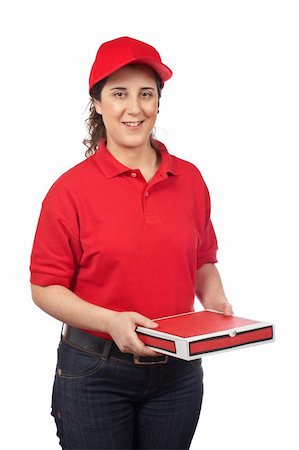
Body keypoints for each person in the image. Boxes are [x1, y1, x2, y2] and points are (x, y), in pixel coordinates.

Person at [30, 36, 233, 450]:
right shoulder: (69, 191)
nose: (135, 108)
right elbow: (44, 288)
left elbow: (202, 260)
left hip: (178, 373)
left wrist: (215, 303)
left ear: (159, 101)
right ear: (98, 103)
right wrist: (111, 322)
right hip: (95, 373)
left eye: (147, 94)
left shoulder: (190, 179)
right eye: (119, 93)